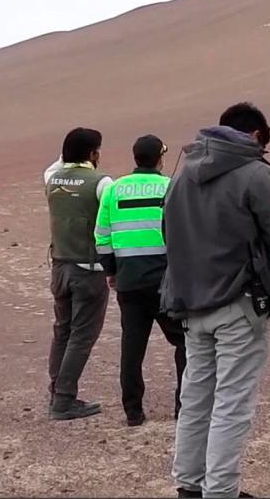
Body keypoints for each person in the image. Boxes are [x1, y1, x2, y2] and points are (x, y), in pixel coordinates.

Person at [162, 103, 270, 499]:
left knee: (196, 396)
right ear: (256, 136)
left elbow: (166, 231)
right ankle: (220, 490)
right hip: (239, 302)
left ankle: (189, 483)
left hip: (190, 302)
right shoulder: (255, 173)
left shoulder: (182, 173)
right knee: (232, 402)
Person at [94, 134, 185, 427]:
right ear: (160, 158)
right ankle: (183, 407)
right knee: (185, 342)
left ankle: (133, 411)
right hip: (165, 280)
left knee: (132, 347)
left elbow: (102, 236)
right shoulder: (170, 186)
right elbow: (184, 234)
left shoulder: (115, 189)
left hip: (128, 280)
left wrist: (110, 270)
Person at [43, 127, 113, 420]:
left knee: (63, 330)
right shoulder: (102, 182)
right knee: (82, 336)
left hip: (59, 266)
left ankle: (57, 390)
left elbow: (57, 164)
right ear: (94, 154)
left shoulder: (51, 177)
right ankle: (64, 399)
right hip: (89, 269)